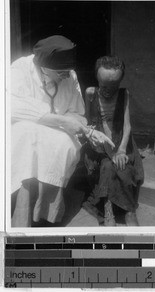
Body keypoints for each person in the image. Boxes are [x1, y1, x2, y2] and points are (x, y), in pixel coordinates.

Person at [11, 35, 115, 227]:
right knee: (26, 141)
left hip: (57, 130)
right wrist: (60, 120)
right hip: (25, 126)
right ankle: (22, 214)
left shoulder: (70, 75)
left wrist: (85, 130)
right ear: (43, 67)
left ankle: (46, 213)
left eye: (68, 71)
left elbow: (77, 113)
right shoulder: (20, 69)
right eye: (61, 73)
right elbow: (11, 107)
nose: (67, 76)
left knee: (64, 145)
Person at [82, 55, 144, 226]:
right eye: (104, 86)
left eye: (113, 86)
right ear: (97, 79)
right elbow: (87, 123)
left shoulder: (124, 94)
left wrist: (122, 149)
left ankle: (128, 210)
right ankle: (108, 209)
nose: (108, 90)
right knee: (107, 165)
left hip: (120, 142)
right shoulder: (91, 94)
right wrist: (92, 138)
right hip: (99, 145)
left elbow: (127, 126)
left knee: (124, 167)